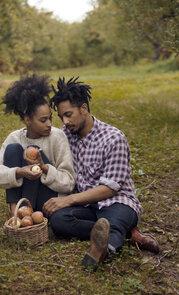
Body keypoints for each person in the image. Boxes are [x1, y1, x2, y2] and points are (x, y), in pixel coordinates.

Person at [43, 77, 159, 271]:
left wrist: (68, 200)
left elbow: (109, 189)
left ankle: (102, 251)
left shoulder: (113, 138)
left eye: (69, 115)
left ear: (84, 108)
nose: (65, 121)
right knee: (59, 221)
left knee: (113, 220)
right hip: (89, 206)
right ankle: (128, 234)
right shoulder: (65, 135)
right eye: (62, 116)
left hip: (118, 202)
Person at [0, 75, 76, 217]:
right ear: (28, 120)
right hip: (22, 201)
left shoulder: (57, 137)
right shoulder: (14, 137)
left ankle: (24, 215)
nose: (49, 124)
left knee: (32, 153)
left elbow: (69, 183)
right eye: (43, 120)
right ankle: (16, 213)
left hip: (47, 200)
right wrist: (19, 172)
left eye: (50, 118)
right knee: (13, 149)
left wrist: (43, 167)